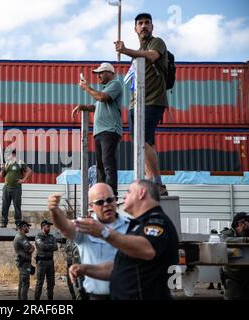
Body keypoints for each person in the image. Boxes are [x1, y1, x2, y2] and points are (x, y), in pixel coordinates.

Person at [67, 180, 179, 300]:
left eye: (129, 191)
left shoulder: (156, 221)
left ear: (141, 193)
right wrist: (85, 269)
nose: (124, 196)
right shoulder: (138, 225)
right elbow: (120, 267)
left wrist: (104, 232)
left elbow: (147, 249)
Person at [115, 13, 169, 196]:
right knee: (145, 145)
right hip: (136, 103)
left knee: (142, 142)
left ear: (152, 27)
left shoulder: (157, 43)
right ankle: (149, 184)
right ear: (135, 28)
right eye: (140, 23)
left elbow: (152, 56)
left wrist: (125, 50)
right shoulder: (137, 51)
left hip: (152, 100)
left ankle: (158, 184)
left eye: (147, 23)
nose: (144, 26)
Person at [48, 183, 129, 300]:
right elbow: (65, 226)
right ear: (91, 206)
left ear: (116, 200)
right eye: (100, 202)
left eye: (110, 200)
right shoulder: (86, 226)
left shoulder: (130, 225)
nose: (106, 205)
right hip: (96, 296)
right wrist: (54, 211)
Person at [73, 63, 123, 198]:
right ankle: (102, 194)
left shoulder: (115, 84)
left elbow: (101, 98)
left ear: (110, 73)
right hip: (100, 132)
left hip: (110, 130)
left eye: (101, 73)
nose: (98, 76)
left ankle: (111, 194)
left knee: (108, 163)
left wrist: (86, 88)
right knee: (100, 165)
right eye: (97, 73)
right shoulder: (105, 89)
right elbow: (97, 105)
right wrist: (83, 106)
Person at [220, 212, 249, 299]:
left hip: (248, 275)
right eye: (248, 225)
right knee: (232, 296)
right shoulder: (227, 233)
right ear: (241, 223)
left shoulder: (248, 232)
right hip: (232, 275)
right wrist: (246, 239)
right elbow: (223, 240)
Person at [0, 149, 33, 227]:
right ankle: (3, 222)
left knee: (17, 206)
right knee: (4, 206)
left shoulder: (20, 162)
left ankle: (18, 222)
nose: (7, 156)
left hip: (16, 188)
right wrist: (2, 168)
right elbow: (2, 175)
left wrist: (23, 180)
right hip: (6, 188)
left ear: (13, 154)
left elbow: (30, 171)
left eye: (9, 154)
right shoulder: (6, 163)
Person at [34, 220, 58, 300]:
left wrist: (47, 246)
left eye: (49, 227)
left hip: (50, 262)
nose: (49, 228)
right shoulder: (38, 236)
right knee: (40, 282)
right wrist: (50, 245)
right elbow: (42, 247)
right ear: (43, 227)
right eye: (48, 226)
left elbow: (56, 247)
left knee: (51, 283)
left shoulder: (52, 237)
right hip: (41, 262)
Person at [13, 220, 35, 300]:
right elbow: (30, 248)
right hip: (24, 264)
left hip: (23, 263)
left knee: (21, 283)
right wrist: (32, 248)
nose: (28, 228)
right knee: (25, 284)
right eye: (27, 226)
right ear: (22, 227)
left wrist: (31, 248)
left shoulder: (21, 236)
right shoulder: (21, 237)